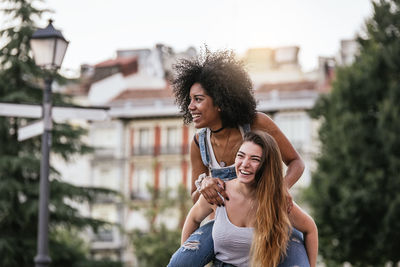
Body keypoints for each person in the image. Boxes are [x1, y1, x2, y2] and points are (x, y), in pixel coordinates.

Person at [168, 48, 307, 266]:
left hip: (270, 218)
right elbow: (196, 198)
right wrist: (204, 184)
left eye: (198, 99)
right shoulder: (199, 143)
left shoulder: (257, 124)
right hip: (225, 225)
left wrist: (279, 189)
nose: (190, 106)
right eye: (189, 100)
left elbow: (296, 163)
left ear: (220, 102)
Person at [180, 131, 318, 267]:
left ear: (266, 165)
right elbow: (193, 218)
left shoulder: (276, 201)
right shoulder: (219, 193)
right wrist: (188, 256)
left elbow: (310, 228)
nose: (245, 164)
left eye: (255, 159)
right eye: (241, 156)